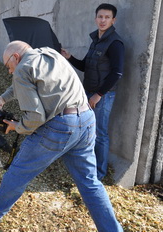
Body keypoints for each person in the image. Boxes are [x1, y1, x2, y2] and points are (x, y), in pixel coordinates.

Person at [0, 40, 123, 232]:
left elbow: (35, 117)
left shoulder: (22, 69)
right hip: (87, 120)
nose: (9, 72)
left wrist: (16, 127)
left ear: (16, 57)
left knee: (20, 169)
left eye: (8, 66)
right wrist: (2, 98)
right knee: (90, 183)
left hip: (61, 126)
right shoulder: (50, 53)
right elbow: (30, 80)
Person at [61, 3, 125, 180]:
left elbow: (117, 73)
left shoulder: (115, 43)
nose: (103, 20)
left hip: (103, 95)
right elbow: (86, 66)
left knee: (100, 134)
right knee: (87, 131)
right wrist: (69, 57)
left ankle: (99, 174)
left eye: (107, 17)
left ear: (113, 20)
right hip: (88, 92)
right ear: (95, 18)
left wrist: (99, 95)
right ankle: (86, 166)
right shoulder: (96, 40)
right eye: (100, 17)